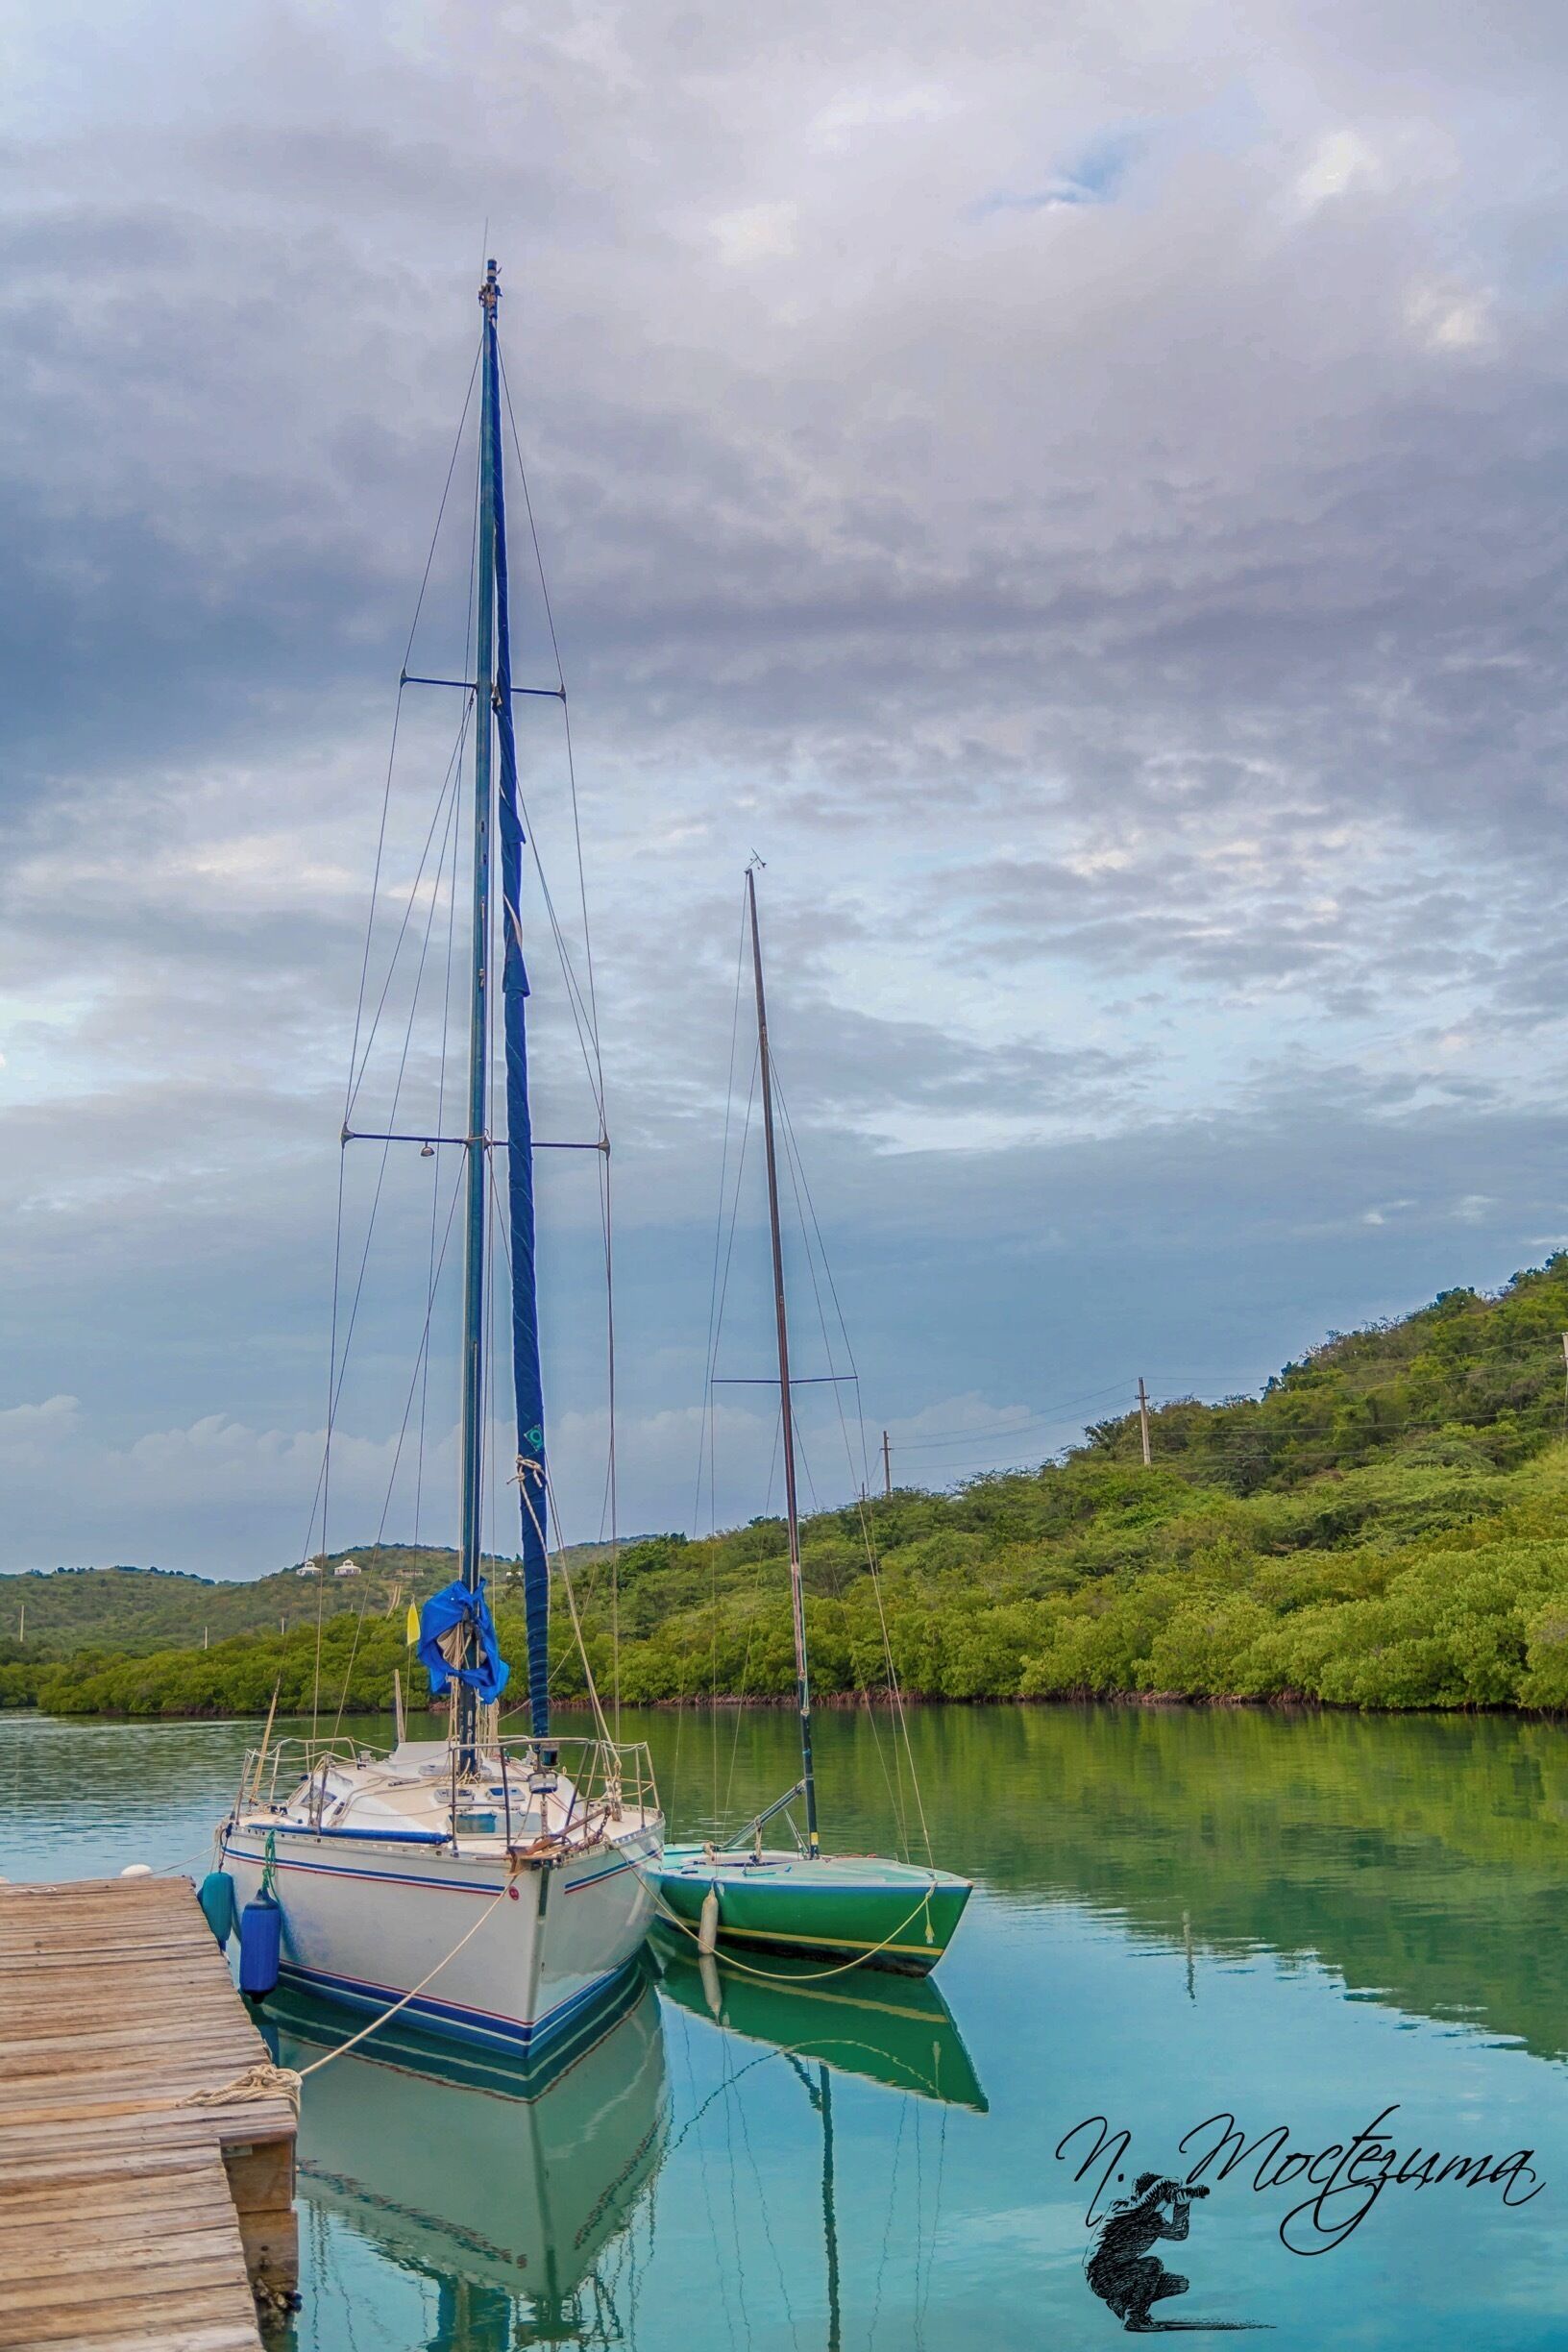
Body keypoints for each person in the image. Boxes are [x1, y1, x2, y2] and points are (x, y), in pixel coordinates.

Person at [1085, 2172, 1209, 2332]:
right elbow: (1143, 2206)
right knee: (1152, 2265)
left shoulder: (1154, 2220)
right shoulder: (1122, 2207)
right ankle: (1134, 2318)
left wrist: (1182, 2204)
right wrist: (1167, 2184)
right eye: (1164, 2194)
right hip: (1101, 2277)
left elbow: (1178, 2233)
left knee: (1178, 2284)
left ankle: (1121, 2303)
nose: (1167, 2199)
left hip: (1123, 2276)